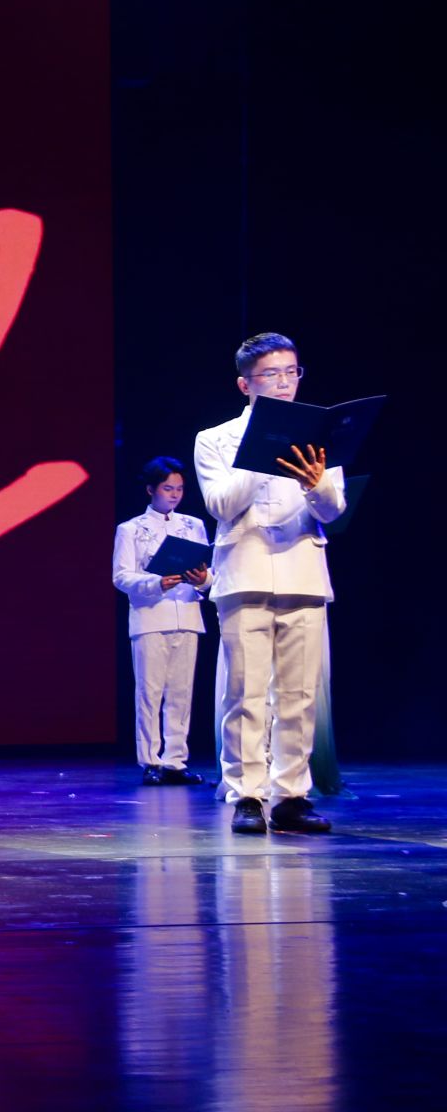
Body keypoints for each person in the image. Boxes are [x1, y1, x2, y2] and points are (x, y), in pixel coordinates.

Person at [194, 332, 345, 835]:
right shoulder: (215, 438)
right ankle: (247, 794)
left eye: (291, 372)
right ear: (246, 384)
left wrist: (315, 483)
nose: (284, 383)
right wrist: (264, 448)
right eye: (271, 374)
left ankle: (291, 796)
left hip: (304, 571)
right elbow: (220, 505)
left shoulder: (320, 433)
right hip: (245, 572)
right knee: (246, 692)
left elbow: (334, 509)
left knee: (299, 695)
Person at [111, 457, 212, 786]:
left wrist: (203, 580)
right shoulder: (131, 529)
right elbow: (121, 576)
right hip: (150, 616)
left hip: (187, 615)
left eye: (179, 489)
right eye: (168, 488)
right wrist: (156, 583)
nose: (175, 495)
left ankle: (175, 761)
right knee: (150, 692)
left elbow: (210, 570)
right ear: (151, 490)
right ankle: (150, 760)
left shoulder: (193, 525)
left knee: (182, 693)